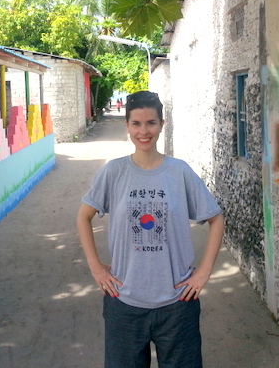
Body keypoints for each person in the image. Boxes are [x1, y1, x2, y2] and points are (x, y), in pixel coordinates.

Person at [76, 90, 225, 368]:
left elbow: (216, 219)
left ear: (161, 124)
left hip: (178, 304)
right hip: (123, 304)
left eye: (151, 123)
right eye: (136, 123)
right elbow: (83, 217)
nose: (144, 131)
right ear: (127, 126)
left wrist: (203, 273)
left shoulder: (179, 172)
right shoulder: (114, 172)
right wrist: (96, 267)